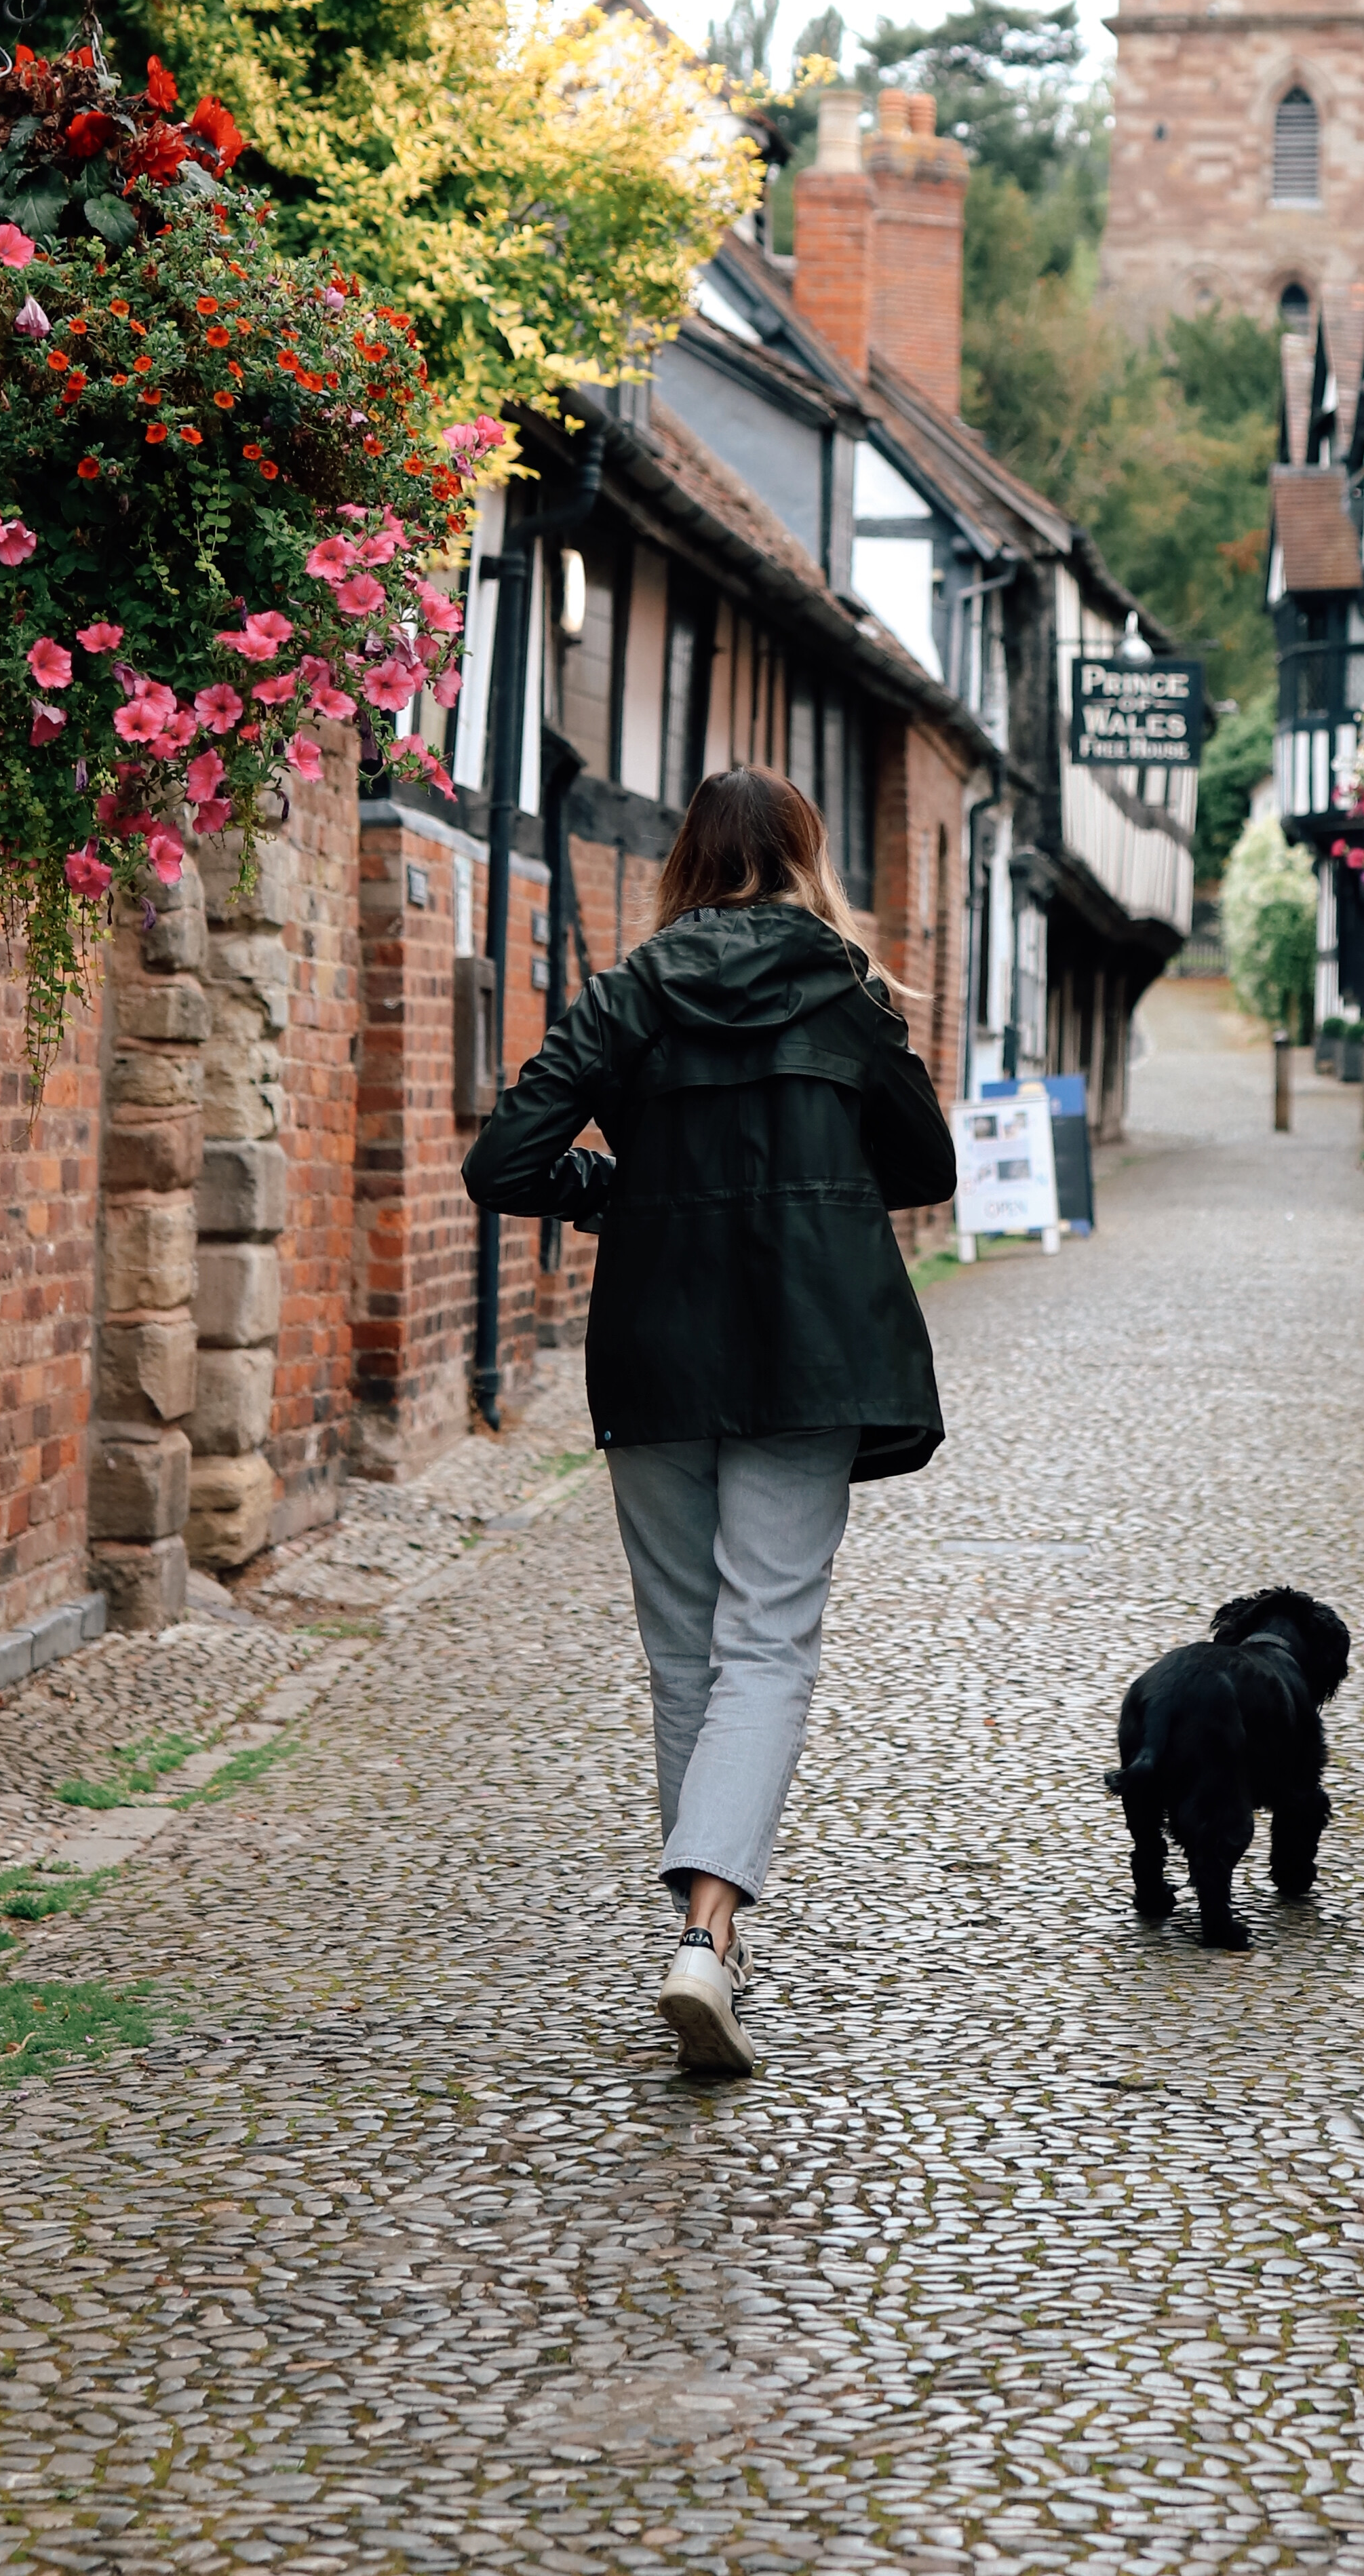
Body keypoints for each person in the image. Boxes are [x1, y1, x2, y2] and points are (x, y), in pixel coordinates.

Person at [463, 761, 956, 2075]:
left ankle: (709, 1946)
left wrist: (615, 1190)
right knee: (768, 1644)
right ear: (803, 860)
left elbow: (502, 1160)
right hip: (807, 1358)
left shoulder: (633, 992)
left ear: (683, 860)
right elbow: (926, 1164)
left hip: (659, 1354)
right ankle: (704, 1936)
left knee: (686, 1654)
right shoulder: (843, 994)